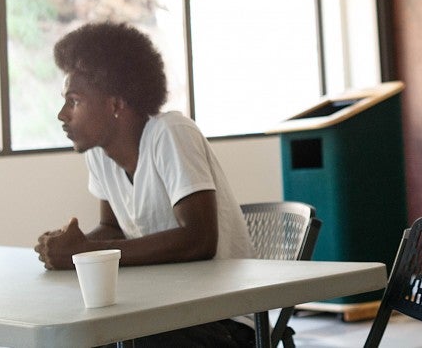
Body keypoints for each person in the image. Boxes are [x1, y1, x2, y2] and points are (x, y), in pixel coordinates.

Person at [35, 21, 256, 347]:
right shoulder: (99, 155)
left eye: (74, 101)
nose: (62, 114)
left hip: (222, 318)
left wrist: (84, 253)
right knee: (66, 332)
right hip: (162, 308)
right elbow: (112, 228)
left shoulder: (171, 133)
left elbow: (199, 240)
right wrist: (70, 247)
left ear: (115, 104)